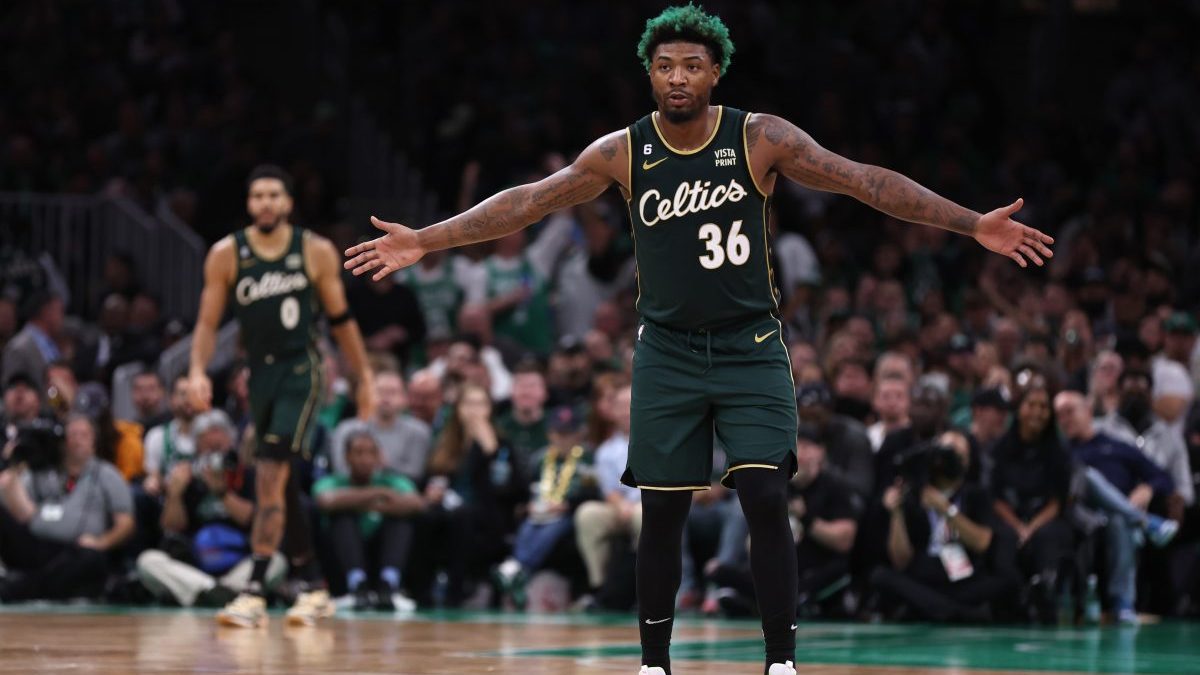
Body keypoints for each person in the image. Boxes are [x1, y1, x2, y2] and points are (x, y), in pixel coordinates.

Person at [344, 6, 1053, 673]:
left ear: (716, 73)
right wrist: (426, 240)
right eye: (664, 66)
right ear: (649, 75)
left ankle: (780, 659)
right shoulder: (623, 151)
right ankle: (654, 662)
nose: (677, 77)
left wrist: (971, 224)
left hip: (751, 345)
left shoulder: (759, 137)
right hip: (667, 350)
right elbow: (527, 201)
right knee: (662, 508)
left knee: (765, 494)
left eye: (691, 65)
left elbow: (865, 182)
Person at [188, 164, 376, 628]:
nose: (266, 203)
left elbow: (341, 321)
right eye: (258, 196)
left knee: (270, 472)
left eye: (274, 195)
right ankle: (313, 585)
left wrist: (364, 377)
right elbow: (208, 322)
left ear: (289, 202)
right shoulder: (226, 254)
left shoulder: (314, 250)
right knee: (282, 481)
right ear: (248, 204)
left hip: (302, 370)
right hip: (259, 374)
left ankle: (253, 592)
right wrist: (196, 371)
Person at [136, 410, 286, 608]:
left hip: (240, 563)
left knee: (276, 560)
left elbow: (253, 519)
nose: (215, 456)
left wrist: (222, 493)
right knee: (148, 561)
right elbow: (171, 528)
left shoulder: (248, 474)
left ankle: (211, 592)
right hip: (196, 566)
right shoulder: (189, 475)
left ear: (231, 443)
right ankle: (218, 592)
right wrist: (174, 495)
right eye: (208, 449)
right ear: (197, 448)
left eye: (219, 448)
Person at [1054, 391, 1178, 623]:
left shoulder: (1117, 447)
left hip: (1115, 516)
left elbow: (1163, 478)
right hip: (1080, 513)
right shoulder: (1061, 452)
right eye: (1059, 415)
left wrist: (1148, 488)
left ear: (1088, 411)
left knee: (1119, 520)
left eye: (1069, 412)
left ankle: (1123, 604)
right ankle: (1147, 522)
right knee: (1086, 474)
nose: (1065, 419)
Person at [0, 415, 135, 601]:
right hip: (38, 546)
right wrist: (14, 463)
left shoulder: (107, 474)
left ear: (94, 442)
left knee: (92, 560)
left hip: (79, 551)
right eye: (73, 435)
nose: (78, 440)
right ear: (63, 441)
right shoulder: (42, 471)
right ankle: (28, 586)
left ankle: (19, 589)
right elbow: (20, 512)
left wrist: (102, 542)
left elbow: (126, 523)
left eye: (84, 435)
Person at [313, 428, 423, 611]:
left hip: (378, 555)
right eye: (358, 453)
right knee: (342, 517)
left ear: (379, 456)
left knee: (401, 521)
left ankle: (388, 585)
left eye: (371, 453)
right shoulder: (332, 481)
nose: (365, 459)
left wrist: (356, 501)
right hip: (341, 562)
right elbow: (326, 502)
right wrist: (379, 493)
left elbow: (416, 504)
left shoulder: (392, 480)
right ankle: (357, 585)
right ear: (346, 457)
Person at [330, 370, 432, 483]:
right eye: (380, 391)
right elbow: (340, 470)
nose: (386, 397)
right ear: (368, 395)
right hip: (350, 489)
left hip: (398, 491)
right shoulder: (346, 430)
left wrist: (386, 466)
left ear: (404, 398)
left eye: (392, 392)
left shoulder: (419, 432)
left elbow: (415, 474)